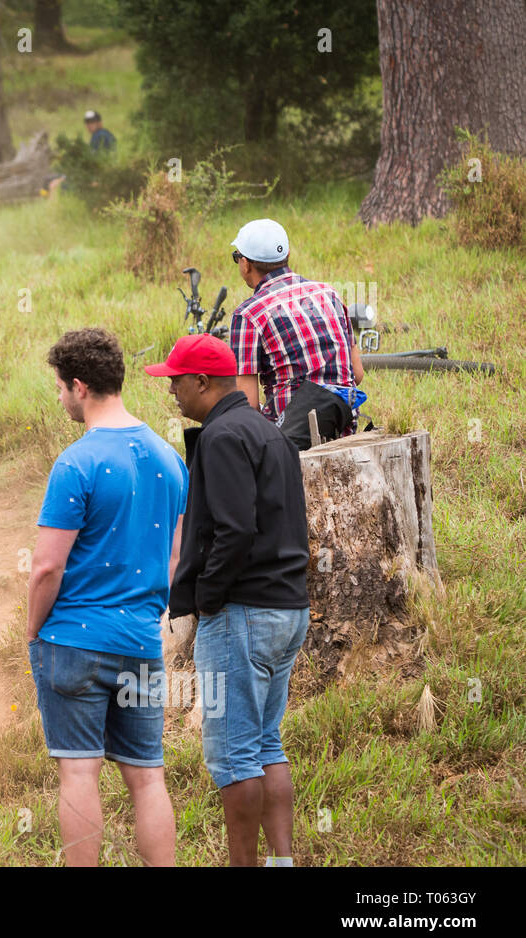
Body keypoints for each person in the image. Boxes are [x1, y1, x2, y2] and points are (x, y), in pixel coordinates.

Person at [145, 333, 311, 867]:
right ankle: (281, 861)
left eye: (176, 380)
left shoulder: (221, 437)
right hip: (287, 608)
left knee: (233, 753)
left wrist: (209, 599)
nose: (171, 390)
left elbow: (235, 530)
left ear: (203, 382)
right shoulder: (269, 429)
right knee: (266, 743)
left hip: (243, 611)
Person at [26, 328, 187, 867]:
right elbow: (172, 559)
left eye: (59, 389)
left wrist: (33, 631)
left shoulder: (78, 461)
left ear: (78, 387)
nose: (60, 399)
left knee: (78, 770)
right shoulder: (170, 458)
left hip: (74, 640)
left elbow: (47, 566)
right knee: (147, 778)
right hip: (141, 640)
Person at [229, 218, 365, 450]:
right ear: (287, 253)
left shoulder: (248, 314)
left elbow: (248, 405)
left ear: (245, 264)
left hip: (289, 442)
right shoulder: (329, 293)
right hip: (343, 428)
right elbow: (357, 374)